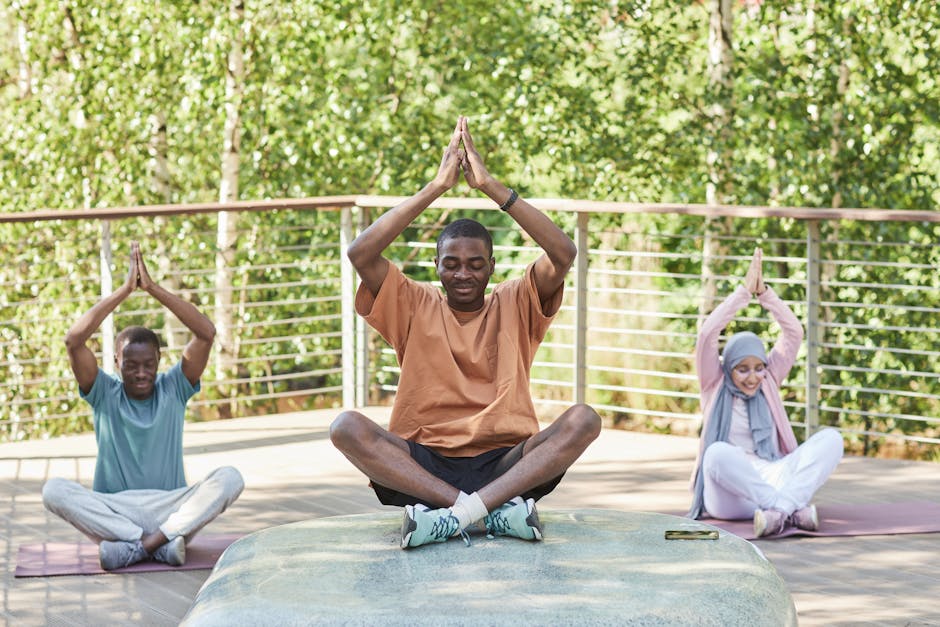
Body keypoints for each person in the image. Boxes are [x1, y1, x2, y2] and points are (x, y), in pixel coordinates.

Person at [330, 116, 602, 549]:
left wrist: (491, 186)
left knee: (585, 419)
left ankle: (453, 517)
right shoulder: (413, 302)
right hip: (424, 468)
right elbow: (359, 252)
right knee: (345, 426)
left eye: (476, 264)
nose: (463, 273)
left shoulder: (517, 300)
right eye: (451, 263)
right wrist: (436, 187)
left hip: (506, 466)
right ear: (436, 267)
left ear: (491, 267)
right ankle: (486, 513)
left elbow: (563, 252)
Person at [42, 242, 244, 570]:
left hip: (170, 509)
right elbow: (73, 340)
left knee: (231, 478)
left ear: (158, 361)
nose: (140, 373)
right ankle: (156, 545)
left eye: (148, 364)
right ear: (116, 362)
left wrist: (151, 288)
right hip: (115, 511)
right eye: (130, 365)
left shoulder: (174, 387)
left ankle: (139, 546)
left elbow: (206, 333)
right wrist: (124, 291)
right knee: (53, 490)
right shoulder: (103, 392)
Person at [688, 247, 843, 537]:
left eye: (759, 367)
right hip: (729, 495)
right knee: (717, 453)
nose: (753, 377)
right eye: (743, 369)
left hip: (770, 476)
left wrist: (766, 294)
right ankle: (791, 510)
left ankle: (776, 513)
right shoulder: (714, 383)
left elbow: (794, 332)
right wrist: (744, 293)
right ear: (729, 366)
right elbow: (708, 334)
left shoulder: (769, 381)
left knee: (832, 439)